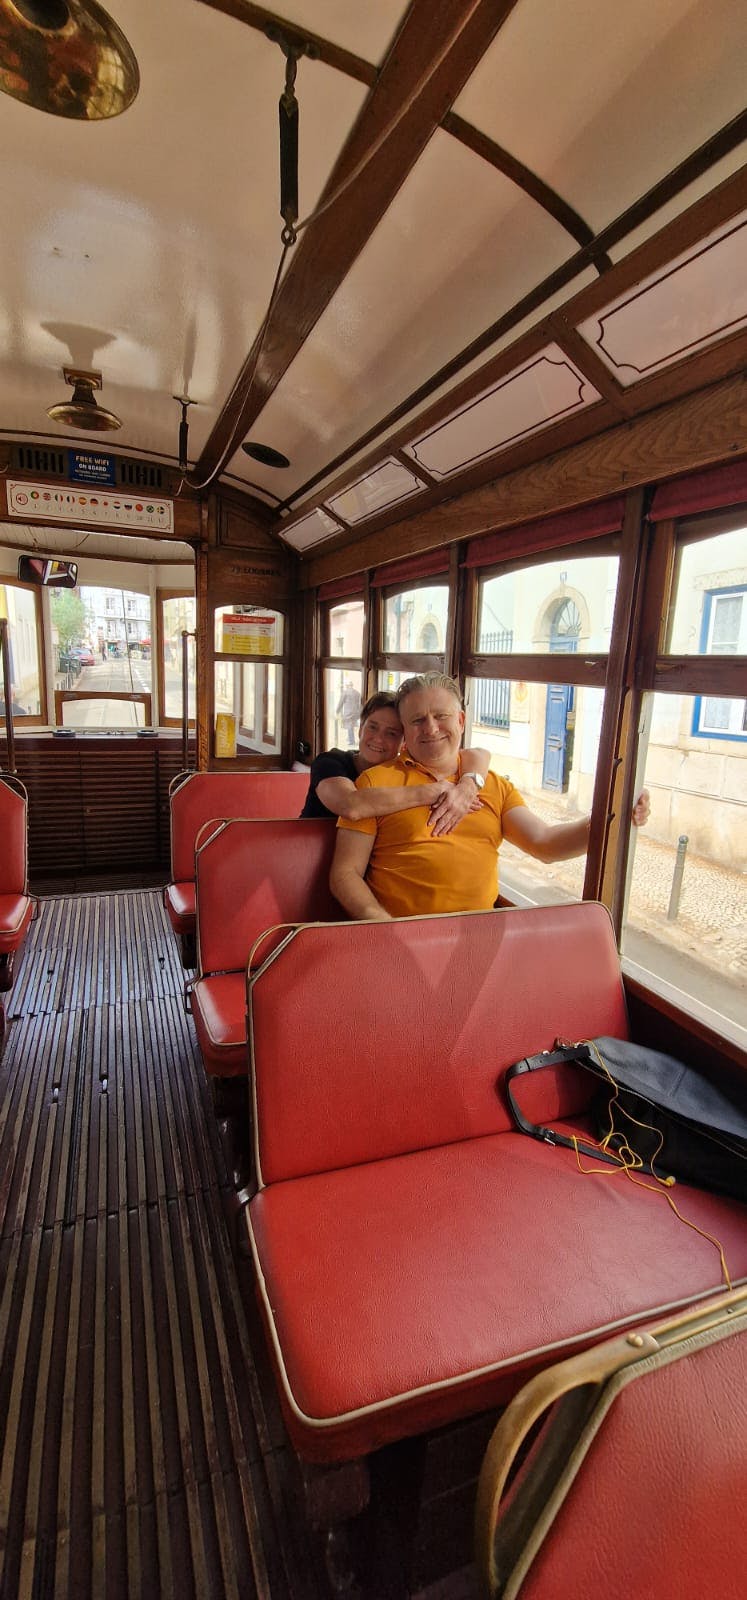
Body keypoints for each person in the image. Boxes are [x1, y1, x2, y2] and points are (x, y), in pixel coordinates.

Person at [330, 672, 650, 922]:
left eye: (441, 716)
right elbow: (345, 873)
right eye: (417, 720)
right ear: (405, 730)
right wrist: (382, 924)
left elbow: (546, 844)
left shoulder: (493, 785)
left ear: (460, 721)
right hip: (399, 933)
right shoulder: (375, 783)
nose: (431, 728)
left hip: (478, 936)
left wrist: (610, 818)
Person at [301, 690, 490, 835]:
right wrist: (435, 791)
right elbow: (350, 806)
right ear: (360, 730)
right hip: (305, 856)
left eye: (391, 733)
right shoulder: (330, 762)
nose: (378, 739)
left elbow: (480, 754)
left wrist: (468, 785)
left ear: (404, 742)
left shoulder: (405, 770)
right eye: (372, 727)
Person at [336, 680, 362, 747]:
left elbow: (341, 702)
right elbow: (360, 703)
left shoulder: (345, 692)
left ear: (347, 686)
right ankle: (349, 738)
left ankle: (351, 741)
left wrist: (337, 711)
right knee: (351, 726)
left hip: (349, 712)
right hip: (356, 712)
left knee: (350, 726)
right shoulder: (357, 693)